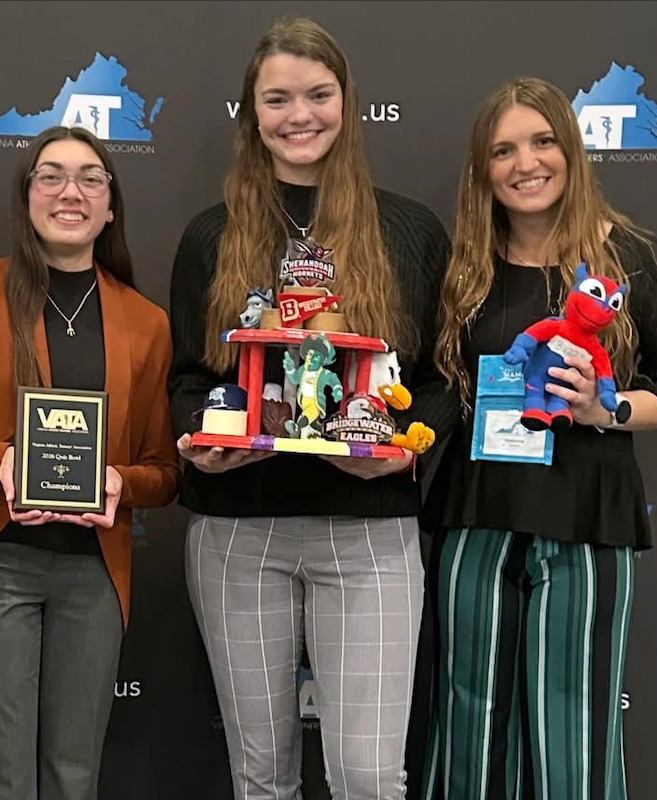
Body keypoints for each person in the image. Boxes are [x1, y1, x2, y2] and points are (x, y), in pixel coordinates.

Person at [167, 18, 459, 800]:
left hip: (370, 533)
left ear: (347, 103)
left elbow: (435, 380)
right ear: (251, 114)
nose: (301, 115)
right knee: (261, 777)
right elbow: (189, 379)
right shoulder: (211, 236)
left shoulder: (407, 231)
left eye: (319, 94)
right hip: (240, 528)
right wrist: (204, 442)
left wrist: (409, 448)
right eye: (278, 98)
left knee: (367, 776)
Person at [419, 76, 657, 800]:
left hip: (587, 518)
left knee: (572, 728)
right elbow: (432, 389)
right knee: (466, 719)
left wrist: (600, 411)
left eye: (543, 141)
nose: (527, 163)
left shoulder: (634, 259)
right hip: (476, 516)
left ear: (571, 149)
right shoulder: (464, 268)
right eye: (504, 149)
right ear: (483, 170)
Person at [0, 124, 178, 800]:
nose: (71, 190)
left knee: (74, 773)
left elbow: (162, 472)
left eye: (91, 177)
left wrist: (121, 481)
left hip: (94, 573)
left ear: (111, 205)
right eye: (51, 175)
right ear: (27, 195)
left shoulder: (145, 321)